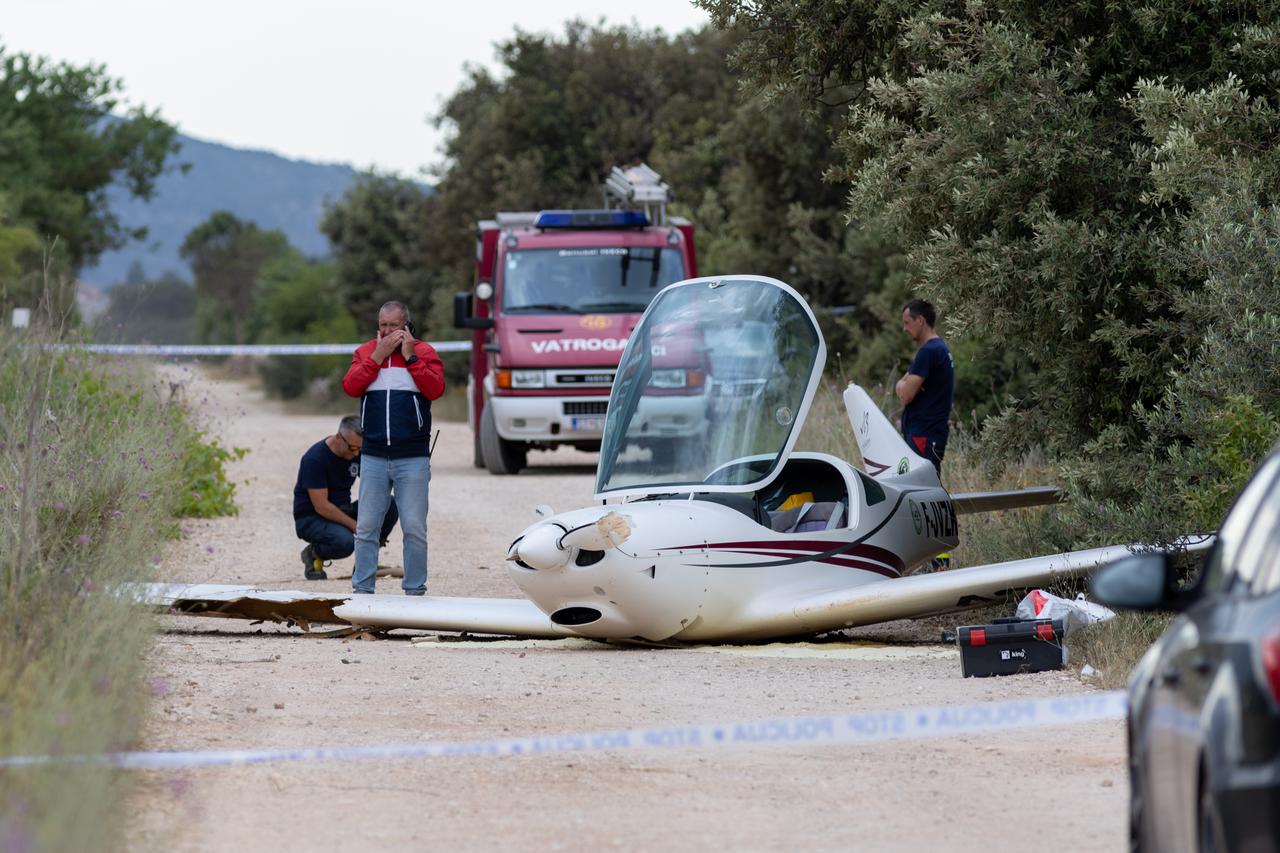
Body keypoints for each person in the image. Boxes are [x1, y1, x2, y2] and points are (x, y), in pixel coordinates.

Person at [341, 301, 445, 595]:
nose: (387, 331)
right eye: (383, 325)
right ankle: (362, 590)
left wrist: (410, 358)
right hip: (373, 455)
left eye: (394, 326)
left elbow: (435, 389)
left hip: (412, 457)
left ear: (407, 327)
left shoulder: (424, 352)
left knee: (413, 528)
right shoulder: (365, 352)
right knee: (367, 528)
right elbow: (350, 386)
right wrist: (377, 356)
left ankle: (414, 591)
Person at [293, 416, 399, 580]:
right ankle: (313, 553)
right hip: (312, 518)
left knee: (389, 504)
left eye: (359, 448)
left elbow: (375, 483)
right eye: (352, 447)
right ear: (338, 438)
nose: (356, 453)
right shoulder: (315, 459)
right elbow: (321, 506)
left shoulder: (356, 452)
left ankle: (366, 562)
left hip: (342, 509)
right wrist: (356, 526)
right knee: (345, 543)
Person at [895, 298, 954, 475]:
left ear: (920, 320)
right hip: (929, 433)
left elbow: (905, 394)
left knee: (922, 486)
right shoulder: (939, 348)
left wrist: (900, 384)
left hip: (924, 435)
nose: (905, 328)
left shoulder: (929, 352)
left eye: (907, 322)